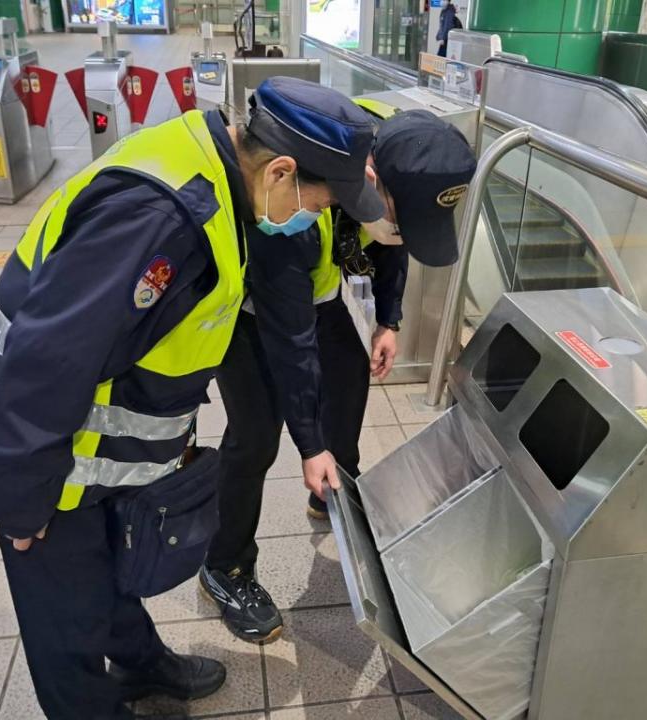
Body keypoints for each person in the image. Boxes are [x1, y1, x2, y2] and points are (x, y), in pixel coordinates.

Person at [0, 76, 383, 720]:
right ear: (283, 171)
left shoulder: (219, 169)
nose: (318, 214)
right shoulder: (161, 221)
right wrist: (18, 500)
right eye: (320, 199)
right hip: (45, 452)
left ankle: (143, 661)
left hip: (91, 446)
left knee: (111, 567)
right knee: (67, 620)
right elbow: (50, 359)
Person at [199, 106, 478, 644]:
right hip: (256, 313)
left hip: (319, 298)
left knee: (348, 386)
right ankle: (225, 566)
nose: (399, 228)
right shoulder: (297, 203)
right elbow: (291, 341)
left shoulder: (390, 190)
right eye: (399, 215)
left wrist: (389, 322)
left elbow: (394, 249)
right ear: (370, 180)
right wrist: (308, 445)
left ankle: (331, 494)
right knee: (257, 435)